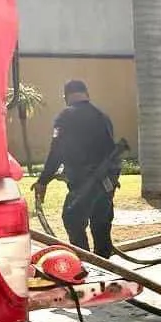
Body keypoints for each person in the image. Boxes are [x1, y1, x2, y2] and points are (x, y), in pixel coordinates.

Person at [32, 80, 119, 258]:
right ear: (87, 94)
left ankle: (85, 261)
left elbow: (57, 151)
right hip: (107, 181)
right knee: (100, 223)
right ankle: (105, 264)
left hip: (84, 182)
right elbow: (111, 151)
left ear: (65, 97)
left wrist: (43, 181)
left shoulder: (65, 117)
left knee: (72, 220)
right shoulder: (102, 116)